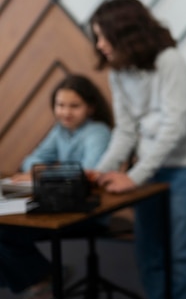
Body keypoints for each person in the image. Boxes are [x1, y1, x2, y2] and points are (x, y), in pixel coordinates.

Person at [88, 0, 186, 299]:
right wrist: (101, 170)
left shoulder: (170, 60)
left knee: (179, 257)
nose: (99, 44)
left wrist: (134, 176)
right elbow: (126, 130)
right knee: (148, 254)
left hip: (185, 171)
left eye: (103, 36)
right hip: (148, 171)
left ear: (124, 33)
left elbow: (175, 128)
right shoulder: (118, 71)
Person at [0, 74, 113, 299]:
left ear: (90, 108)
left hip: (86, 211)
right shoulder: (60, 130)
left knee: (5, 232)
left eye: (74, 106)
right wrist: (45, 173)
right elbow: (32, 161)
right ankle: (43, 277)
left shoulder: (98, 131)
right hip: (56, 204)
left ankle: (42, 279)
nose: (65, 112)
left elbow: (86, 173)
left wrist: (44, 174)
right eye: (60, 105)